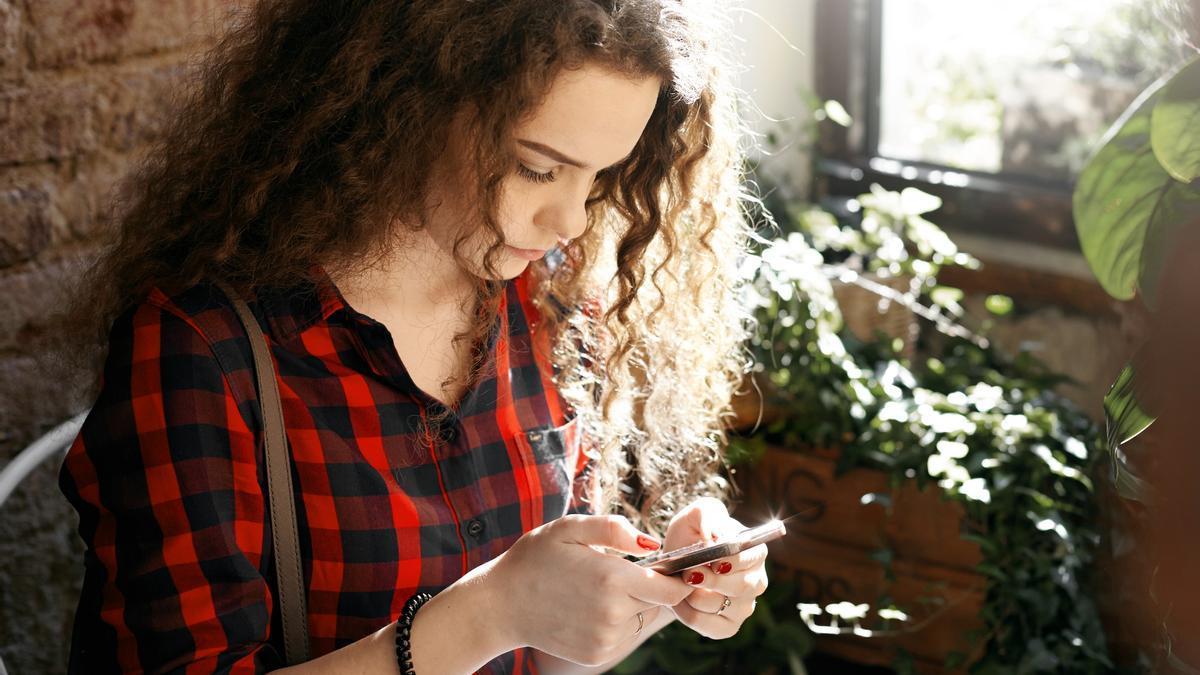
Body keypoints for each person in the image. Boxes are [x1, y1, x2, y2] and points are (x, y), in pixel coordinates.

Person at [58, 0, 766, 672]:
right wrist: (491, 609)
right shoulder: (204, 352)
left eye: (601, 176)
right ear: (407, 104)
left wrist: (661, 587)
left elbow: (544, 650)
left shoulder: (545, 302)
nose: (573, 220)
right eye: (537, 168)